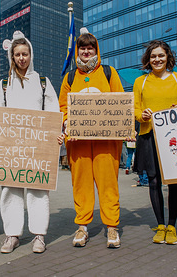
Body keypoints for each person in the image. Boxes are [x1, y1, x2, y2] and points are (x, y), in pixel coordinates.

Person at [0, 31, 61, 254]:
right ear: (12, 57)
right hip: (11, 148)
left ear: (30, 55)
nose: (22, 58)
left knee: (38, 190)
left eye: (25, 54)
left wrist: (57, 135)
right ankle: (12, 235)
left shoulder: (43, 82)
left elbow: (54, 112)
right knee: (10, 190)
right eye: (17, 55)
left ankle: (39, 235)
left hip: (38, 147)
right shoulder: (4, 84)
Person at [59, 28, 124, 249]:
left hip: (106, 142)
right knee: (81, 184)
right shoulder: (69, 77)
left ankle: (112, 226)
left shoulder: (109, 72)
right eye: (82, 48)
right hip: (78, 143)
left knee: (108, 183)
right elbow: (63, 107)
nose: (86, 52)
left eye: (90, 48)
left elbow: (120, 102)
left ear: (96, 50)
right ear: (77, 51)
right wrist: (68, 122)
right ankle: (82, 226)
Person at [133, 40, 177, 245]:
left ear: (168, 57)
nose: (157, 59)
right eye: (153, 56)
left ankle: (172, 226)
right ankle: (160, 225)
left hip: (175, 137)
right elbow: (136, 110)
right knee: (154, 181)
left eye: (161, 56)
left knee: (174, 181)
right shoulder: (141, 82)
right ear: (148, 60)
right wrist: (143, 116)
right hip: (149, 136)